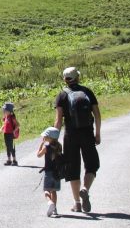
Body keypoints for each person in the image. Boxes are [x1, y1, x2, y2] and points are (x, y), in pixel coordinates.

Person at [53, 66, 101, 213]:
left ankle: (77, 203)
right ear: (78, 78)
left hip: (70, 135)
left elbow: (58, 121)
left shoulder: (61, 95)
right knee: (92, 164)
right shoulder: (87, 92)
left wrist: (54, 140)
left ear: (65, 80)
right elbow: (97, 115)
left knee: (73, 168)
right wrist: (97, 134)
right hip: (87, 133)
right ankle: (85, 189)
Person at [37, 127, 62, 217]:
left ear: (49, 138)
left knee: (47, 191)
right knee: (54, 191)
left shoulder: (46, 147)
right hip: (57, 173)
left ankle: (50, 202)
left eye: (46, 136)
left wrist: (41, 144)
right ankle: (54, 209)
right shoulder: (59, 147)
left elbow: (38, 155)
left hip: (48, 172)